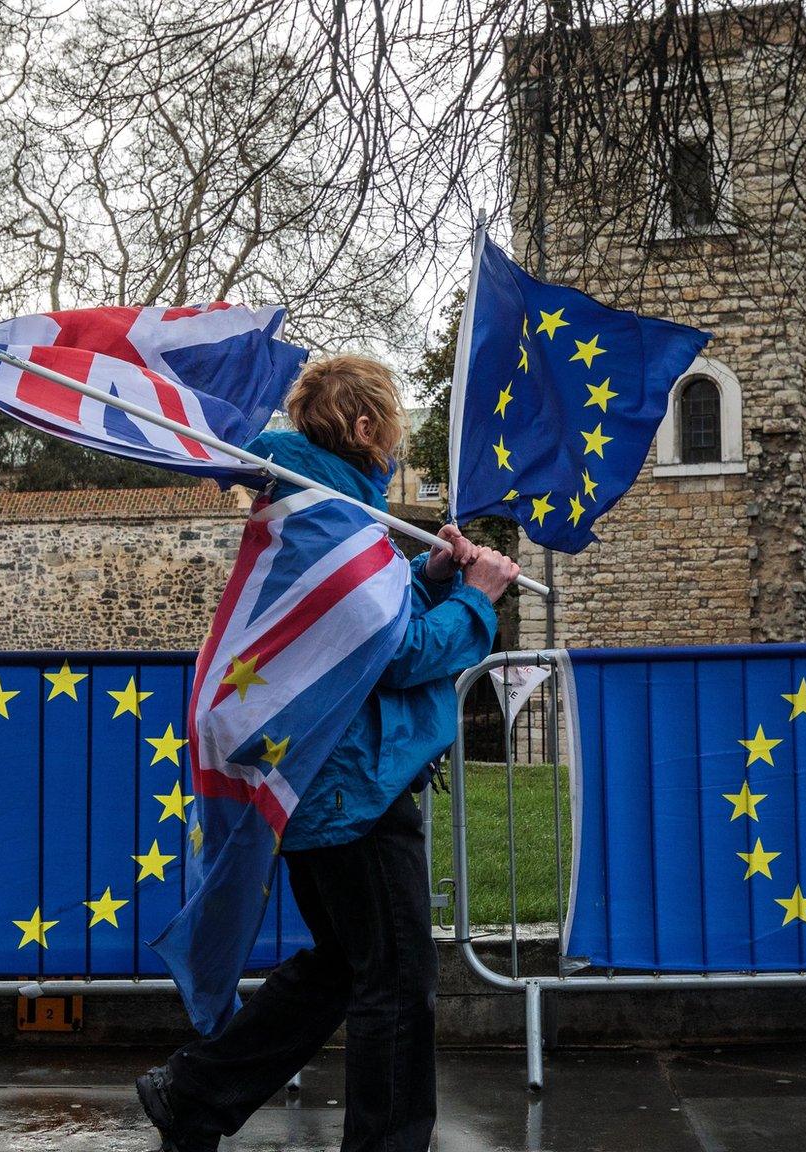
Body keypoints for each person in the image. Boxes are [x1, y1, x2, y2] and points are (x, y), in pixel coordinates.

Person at [137, 354, 521, 1152]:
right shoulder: (329, 519)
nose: (395, 451)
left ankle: (196, 1093)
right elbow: (406, 652)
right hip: (353, 790)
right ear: (363, 426)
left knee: (344, 967)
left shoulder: (322, 512)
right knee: (396, 987)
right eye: (393, 433)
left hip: (327, 783)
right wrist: (478, 603)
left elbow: (367, 623)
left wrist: (429, 571)